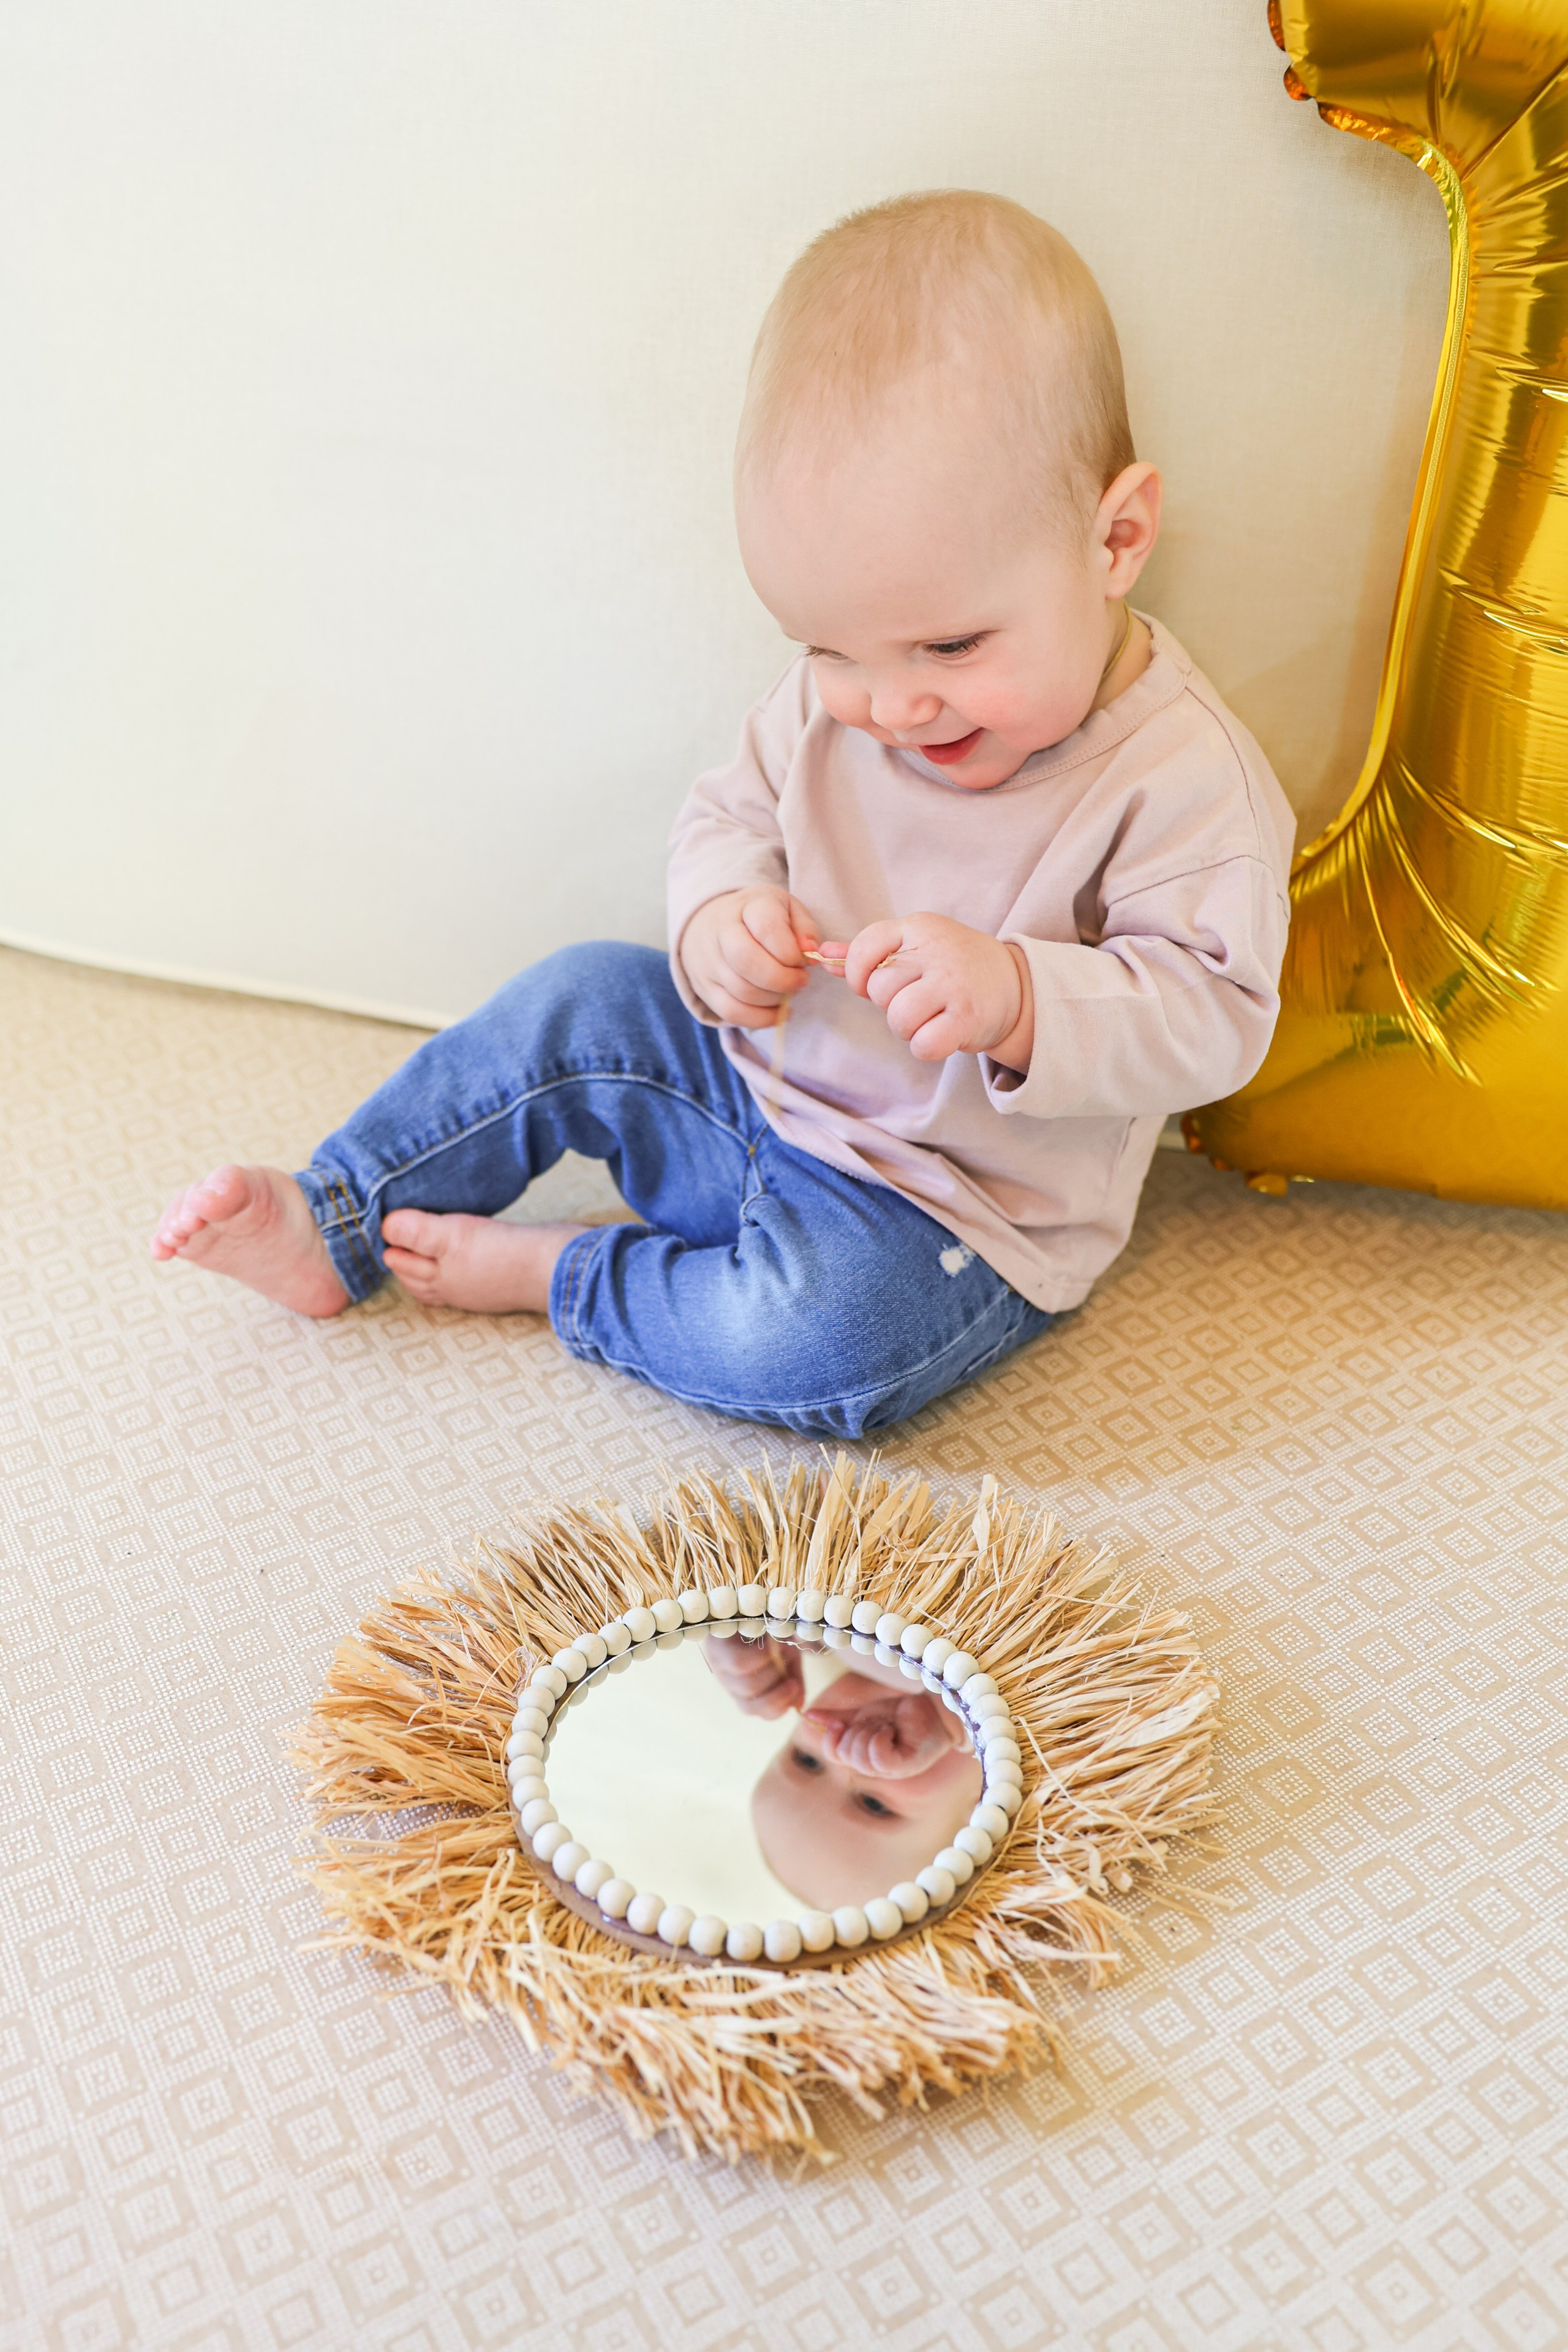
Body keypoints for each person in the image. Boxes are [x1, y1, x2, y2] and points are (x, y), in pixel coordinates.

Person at [152, 190, 1294, 1437]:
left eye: (950, 645)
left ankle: (575, 1277)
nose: (891, 704)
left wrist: (1022, 997)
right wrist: (718, 921)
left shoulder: (1180, 781)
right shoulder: (838, 698)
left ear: (1115, 536)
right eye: (829, 648)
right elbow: (727, 815)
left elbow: (1213, 1019)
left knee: (823, 1345)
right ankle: (335, 1217)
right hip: (748, 1096)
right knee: (582, 995)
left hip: (948, 1214)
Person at [703, 1631, 982, 1913]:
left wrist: (752, 1636)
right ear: (981, 1813)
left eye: (807, 1761)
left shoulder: (841, 1639)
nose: (841, 1757)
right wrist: (949, 1716)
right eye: (874, 1805)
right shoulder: (1011, 1730)